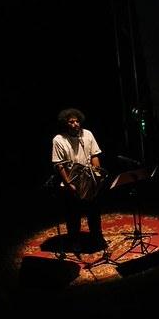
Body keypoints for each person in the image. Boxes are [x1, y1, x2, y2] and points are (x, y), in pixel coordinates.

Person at [51, 108, 106, 252]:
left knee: (94, 212)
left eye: (77, 121)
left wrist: (97, 175)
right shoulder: (58, 140)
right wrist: (68, 184)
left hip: (88, 179)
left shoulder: (87, 134)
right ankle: (74, 241)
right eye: (71, 122)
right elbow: (59, 165)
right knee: (73, 214)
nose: (75, 124)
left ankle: (97, 238)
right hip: (72, 180)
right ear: (65, 123)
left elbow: (94, 155)